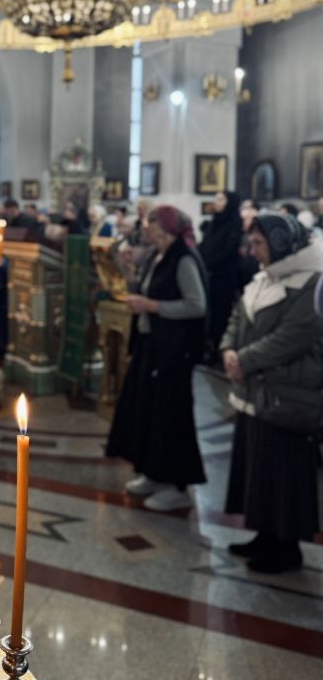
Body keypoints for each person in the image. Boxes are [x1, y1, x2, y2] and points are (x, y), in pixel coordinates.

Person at [221, 214, 323, 574]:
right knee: (259, 468)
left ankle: (287, 547)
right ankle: (265, 535)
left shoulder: (312, 281)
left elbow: (295, 335)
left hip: (288, 394)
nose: (252, 251)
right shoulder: (265, 276)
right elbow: (237, 317)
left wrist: (244, 360)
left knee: (284, 472)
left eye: (259, 243)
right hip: (256, 390)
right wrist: (228, 349)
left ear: (281, 243)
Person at [106, 205, 208, 511]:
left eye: (148, 222)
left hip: (173, 351)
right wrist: (127, 271)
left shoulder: (183, 258)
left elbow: (197, 305)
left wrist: (151, 306)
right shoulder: (156, 255)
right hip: (151, 345)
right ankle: (152, 472)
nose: (144, 227)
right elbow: (146, 290)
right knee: (149, 411)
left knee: (171, 415)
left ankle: (176, 485)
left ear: (163, 227)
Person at [198, 191, 243, 356]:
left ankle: (220, 349)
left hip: (224, 276)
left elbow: (229, 250)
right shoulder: (214, 222)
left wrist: (210, 265)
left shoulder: (234, 223)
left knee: (221, 313)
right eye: (216, 198)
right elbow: (206, 245)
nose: (216, 202)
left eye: (221, 199)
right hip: (208, 274)